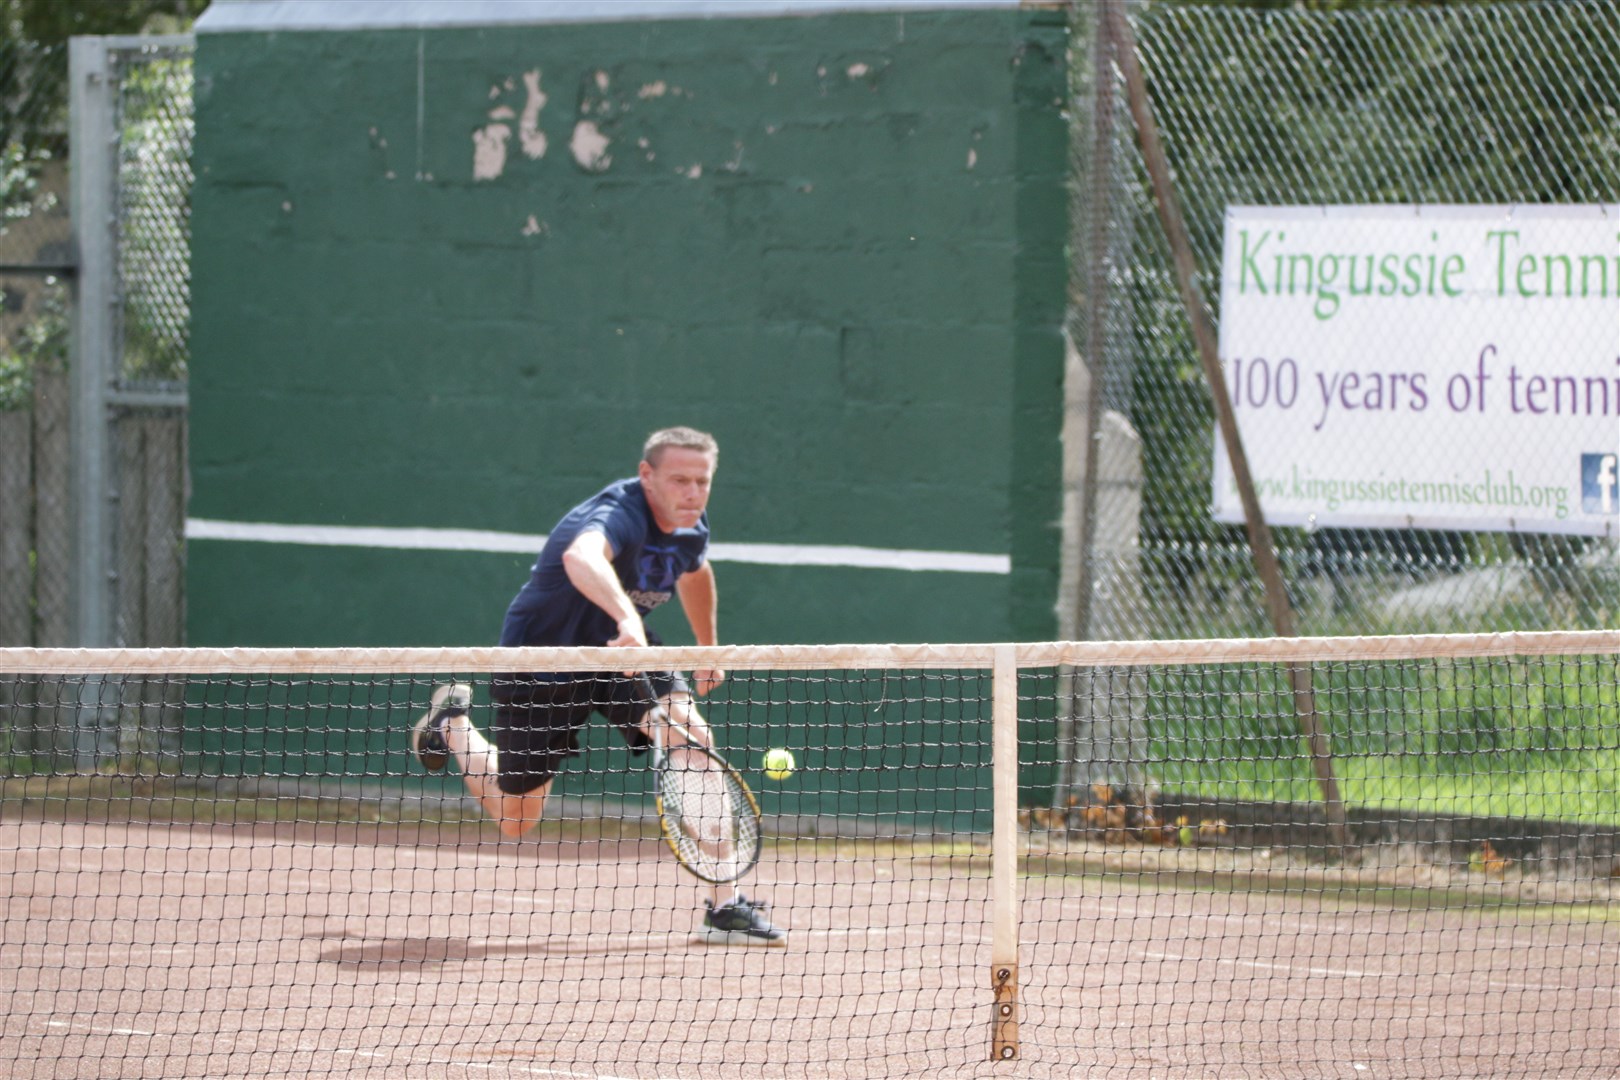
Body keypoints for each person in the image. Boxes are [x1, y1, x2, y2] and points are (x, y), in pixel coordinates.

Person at [410, 426, 786, 947]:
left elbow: (695, 571)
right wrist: (626, 617)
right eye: (680, 480)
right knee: (517, 818)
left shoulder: (690, 524)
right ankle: (452, 726)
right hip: (543, 658)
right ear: (646, 475)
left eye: (702, 481)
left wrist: (708, 645)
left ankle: (725, 909)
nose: (693, 492)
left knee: (692, 739)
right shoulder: (619, 513)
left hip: (623, 657)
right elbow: (581, 557)